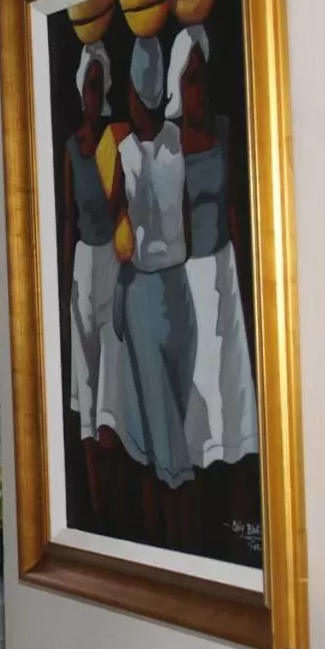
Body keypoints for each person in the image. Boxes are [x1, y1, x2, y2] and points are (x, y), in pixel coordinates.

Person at [110, 36, 198, 543]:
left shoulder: (163, 143)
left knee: (173, 423)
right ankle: (173, 544)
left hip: (173, 290)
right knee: (164, 435)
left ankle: (170, 543)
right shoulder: (131, 149)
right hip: (148, 293)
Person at [167, 25, 258, 470]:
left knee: (230, 376)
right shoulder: (170, 144)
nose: (199, 89)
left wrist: (245, 271)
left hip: (225, 268)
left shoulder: (223, 130)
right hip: (190, 275)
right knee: (201, 380)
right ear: (177, 85)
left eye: (203, 77)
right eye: (191, 79)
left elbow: (235, 207)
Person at [62, 42, 119, 521]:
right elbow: (67, 218)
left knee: (112, 385)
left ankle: (116, 504)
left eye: (100, 87)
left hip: (112, 264)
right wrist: (64, 283)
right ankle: (97, 506)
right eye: (88, 86)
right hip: (83, 262)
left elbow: (123, 209)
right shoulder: (70, 149)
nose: (93, 96)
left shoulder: (114, 145)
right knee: (85, 380)